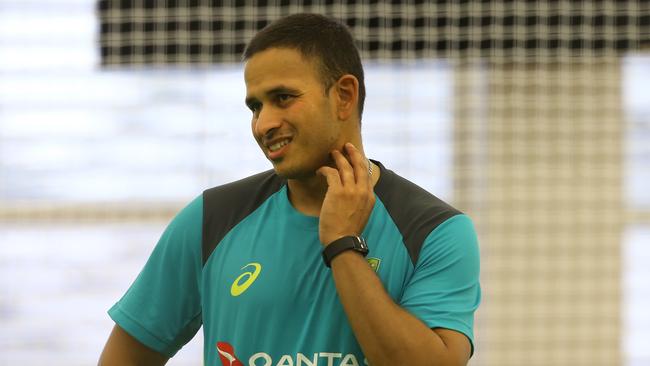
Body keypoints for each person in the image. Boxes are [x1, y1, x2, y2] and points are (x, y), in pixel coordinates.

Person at [98, 13, 480, 366]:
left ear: (344, 96)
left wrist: (343, 244)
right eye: (254, 107)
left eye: (283, 98)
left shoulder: (434, 231)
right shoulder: (210, 220)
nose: (264, 124)